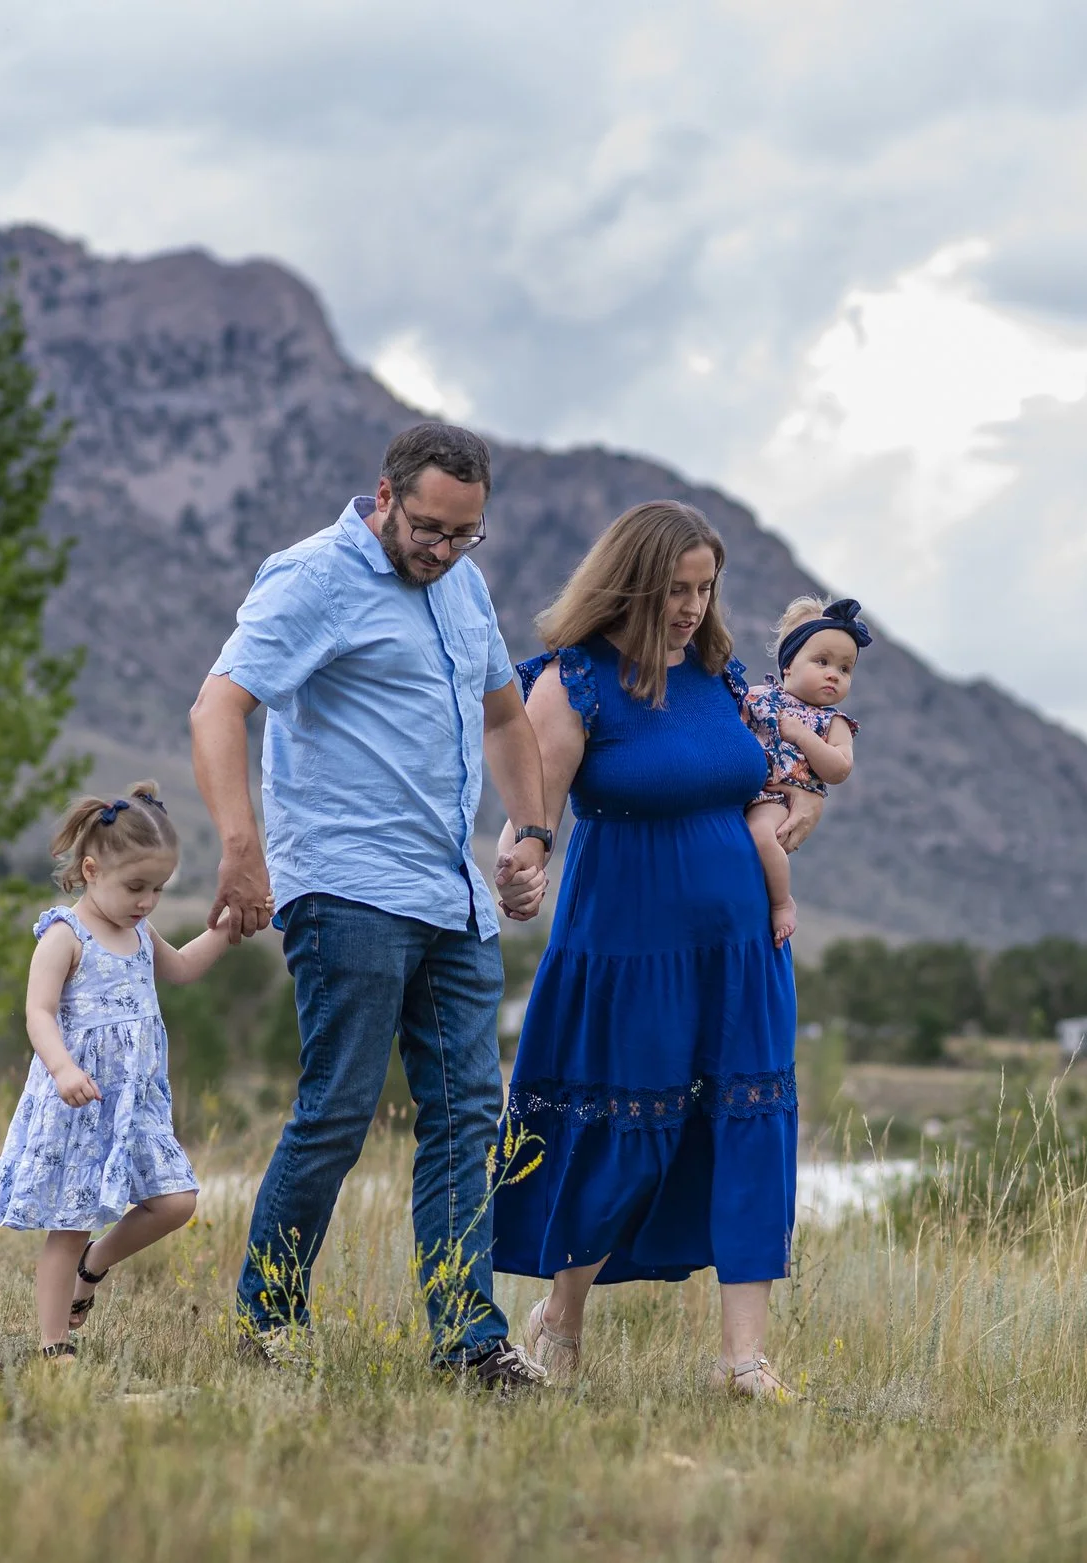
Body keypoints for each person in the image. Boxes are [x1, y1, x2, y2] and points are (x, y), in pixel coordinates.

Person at [190, 421, 556, 1392]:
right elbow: (218, 706)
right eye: (430, 530)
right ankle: (268, 1316)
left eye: (464, 536)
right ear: (385, 497)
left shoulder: (463, 587)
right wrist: (240, 850)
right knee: (341, 1110)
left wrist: (530, 833)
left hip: (452, 897)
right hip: (346, 889)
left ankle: (467, 1341)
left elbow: (507, 713)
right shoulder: (312, 576)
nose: (442, 552)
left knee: (468, 1121)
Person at [491, 500, 812, 1401]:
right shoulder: (575, 680)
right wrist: (522, 863)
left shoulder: (722, 677)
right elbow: (533, 809)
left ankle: (743, 1360)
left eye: (705, 589)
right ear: (630, 582)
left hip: (740, 948)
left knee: (747, 1130)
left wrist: (795, 810)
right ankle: (561, 1316)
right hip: (627, 945)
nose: (691, 607)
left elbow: (769, 782)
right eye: (675, 589)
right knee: (622, 1133)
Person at [0, 784, 231, 1362]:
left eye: (157, 889)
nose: (147, 901)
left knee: (176, 1202)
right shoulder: (63, 937)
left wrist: (227, 931)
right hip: (79, 1101)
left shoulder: (141, 933)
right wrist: (63, 1067)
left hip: (135, 1101)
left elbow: (184, 969)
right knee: (68, 1223)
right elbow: (38, 1013)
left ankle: (91, 1269)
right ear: (91, 870)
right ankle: (54, 1345)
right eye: (135, 887)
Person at [742, 596, 866, 946]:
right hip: (740, 788)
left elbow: (839, 769)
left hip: (776, 796)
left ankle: (782, 903)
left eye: (844, 669)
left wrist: (802, 736)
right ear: (788, 666)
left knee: (761, 836)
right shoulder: (756, 697)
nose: (833, 674)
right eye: (822, 661)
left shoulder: (833, 722)